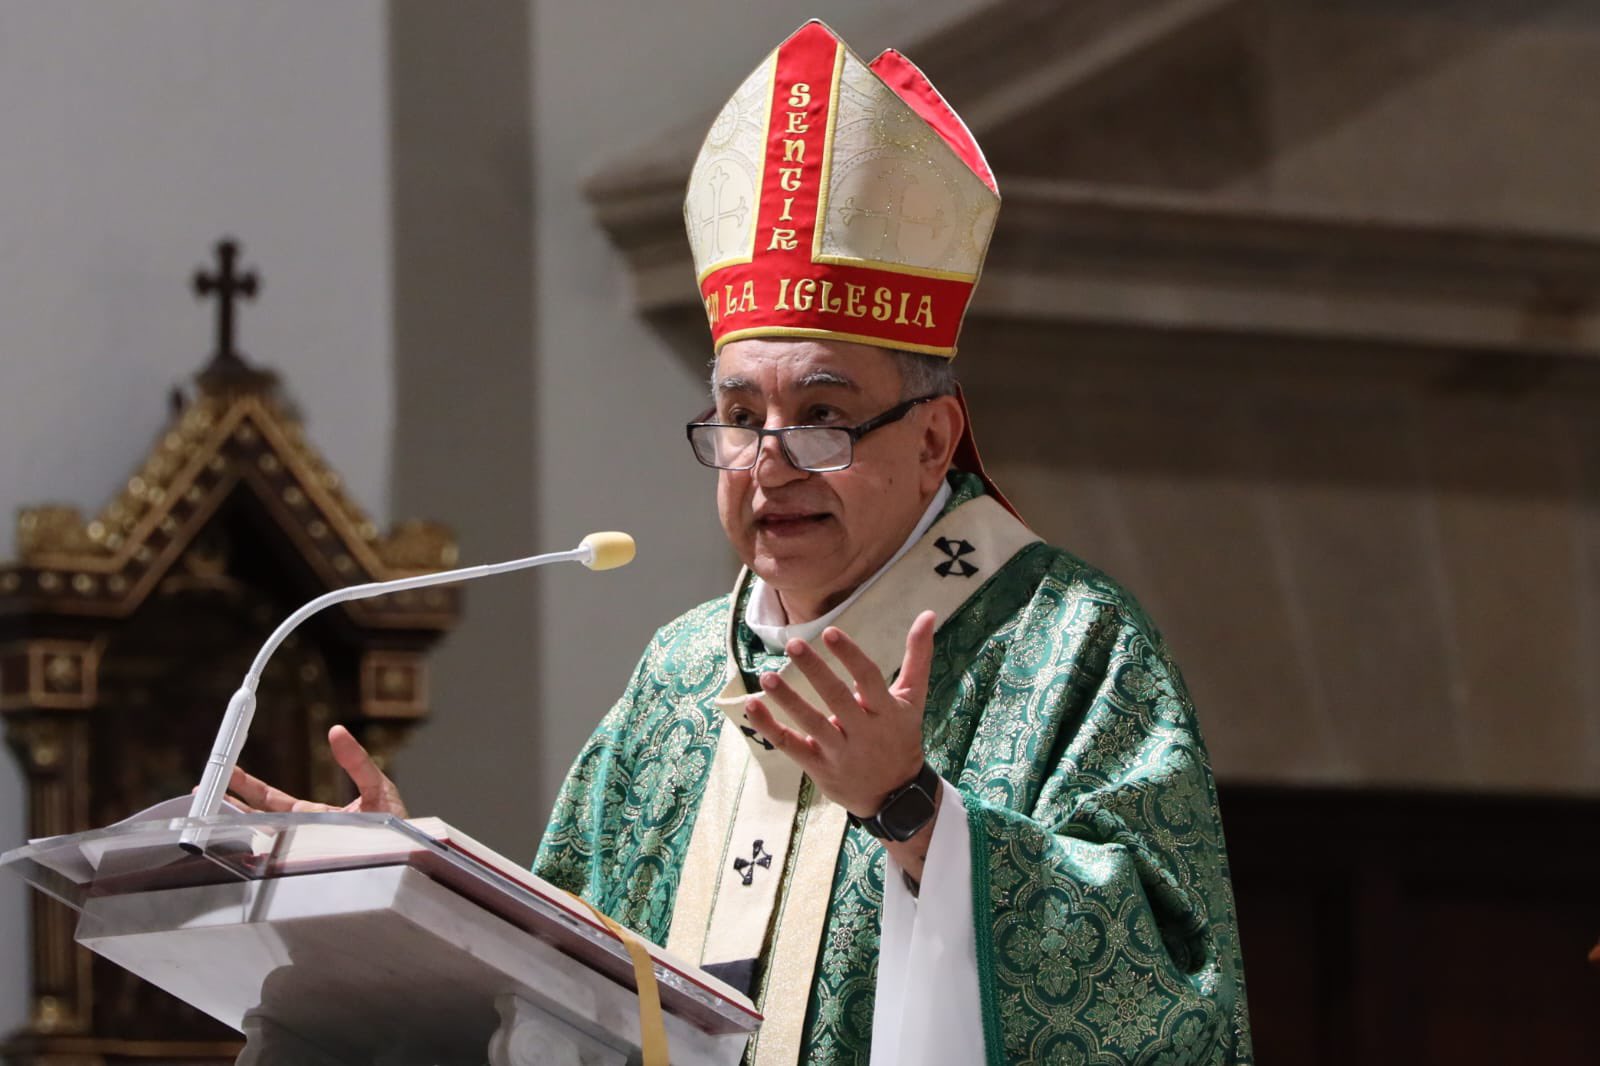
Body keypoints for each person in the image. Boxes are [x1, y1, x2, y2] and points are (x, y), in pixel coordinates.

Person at [229, 20, 1252, 1065]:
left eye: (820, 415)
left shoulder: (1066, 649)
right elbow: (555, 991)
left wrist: (917, 816)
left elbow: (1168, 999)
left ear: (933, 439)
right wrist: (408, 896)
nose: (768, 464)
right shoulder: (678, 682)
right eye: (737, 416)